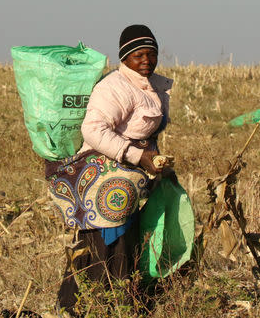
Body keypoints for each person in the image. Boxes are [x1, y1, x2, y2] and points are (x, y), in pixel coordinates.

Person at [44, 24, 173, 316]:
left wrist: (154, 160)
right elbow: (92, 130)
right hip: (101, 169)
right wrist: (137, 156)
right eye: (138, 55)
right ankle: (97, 302)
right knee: (110, 230)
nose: (146, 61)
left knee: (129, 231)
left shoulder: (154, 85)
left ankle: (122, 299)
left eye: (151, 54)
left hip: (128, 169)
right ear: (124, 57)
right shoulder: (113, 88)